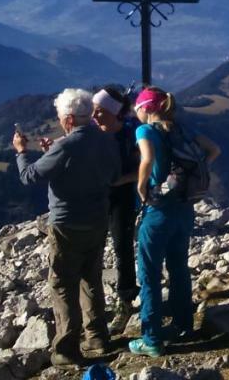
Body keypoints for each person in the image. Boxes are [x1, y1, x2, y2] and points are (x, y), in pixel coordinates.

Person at [14, 88, 121, 367]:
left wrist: (22, 152)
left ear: (70, 119)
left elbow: (30, 176)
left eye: (62, 117)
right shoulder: (106, 139)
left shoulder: (66, 146)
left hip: (66, 222)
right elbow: (112, 174)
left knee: (63, 283)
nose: (60, 121)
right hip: (98, 219)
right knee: (91, 278)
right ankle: (97, 336)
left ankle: (66, 348)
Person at [127, 86, 221, 358]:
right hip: (184, 208)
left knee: (149, 274)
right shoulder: (181, 129)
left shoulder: (145, 131)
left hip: (158, 211)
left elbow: (147, 158)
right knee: (179, 268)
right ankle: (183, 325)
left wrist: (143, 186)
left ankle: (152, 339)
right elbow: (214, 150)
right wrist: (188, 177)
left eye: (137, 109)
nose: (137, 114)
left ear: (146, 108)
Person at [92, 84, 141, 333]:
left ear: (113, 111)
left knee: (122, 248)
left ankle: (125, 299)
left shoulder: (129, 135)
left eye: (99, 110)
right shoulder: (93, 133)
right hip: (98, 197)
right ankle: (94, 306)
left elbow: (142, 168)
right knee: (95, 250)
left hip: (121, 197)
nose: (94, 115)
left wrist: (121, 180)